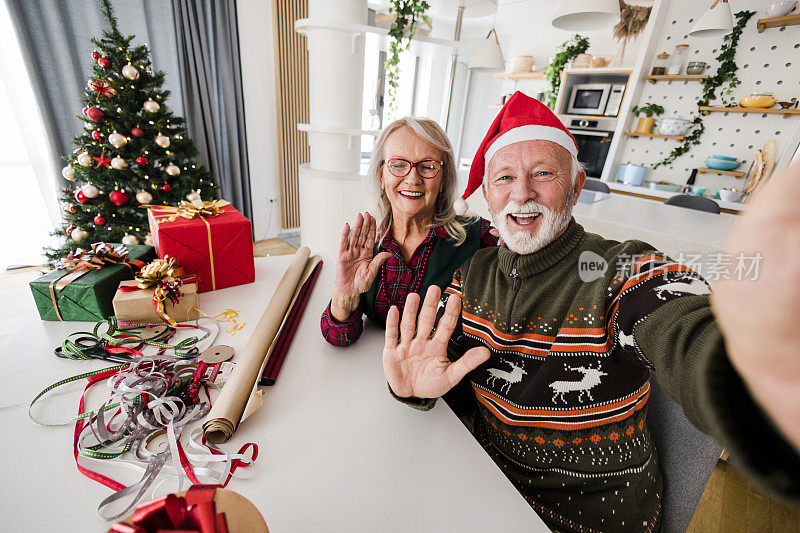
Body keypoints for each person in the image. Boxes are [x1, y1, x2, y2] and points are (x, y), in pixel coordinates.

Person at [381, 92, 800, 532]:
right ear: (487, 193)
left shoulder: (619, 268)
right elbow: (450, 381)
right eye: (504, 177)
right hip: (487, 489)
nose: (522, 193)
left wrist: (761, 378)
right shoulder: (471, 275)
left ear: (577, 187)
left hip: (591, 518)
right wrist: (416, 392)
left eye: (543, 173)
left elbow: (684, 328)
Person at [320, 117, 497, 347]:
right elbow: (339, 337)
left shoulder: (481, 237)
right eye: (399, 164)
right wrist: (345, 293)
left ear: (443, 179)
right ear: (381, 176)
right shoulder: (366, 244)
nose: (413, 179)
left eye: (428, 166)